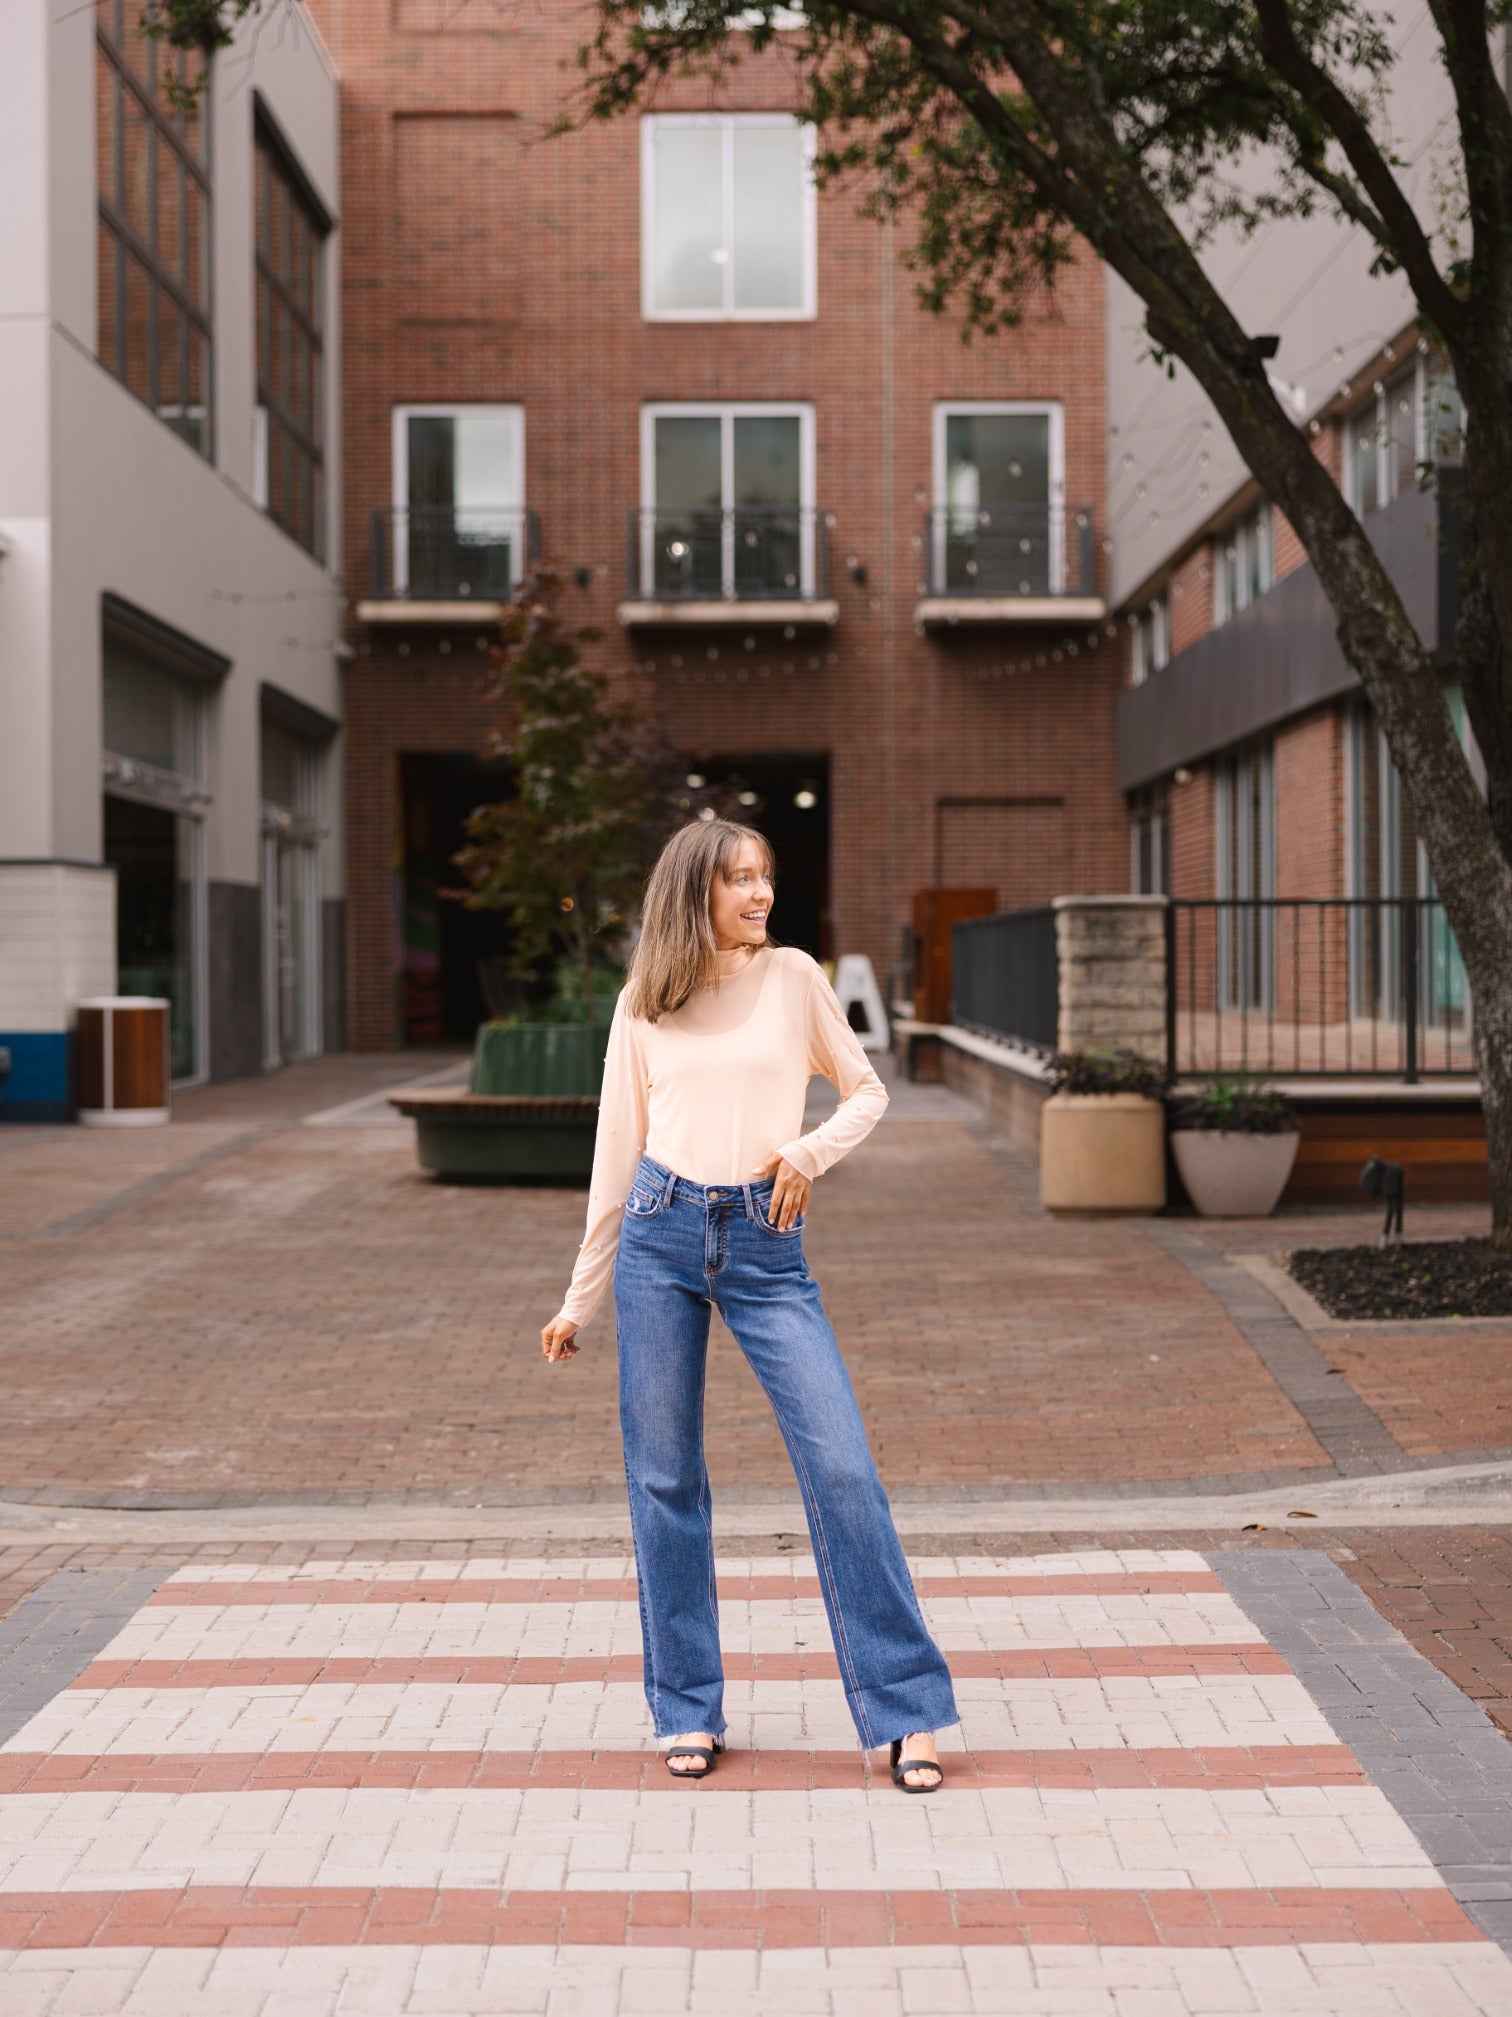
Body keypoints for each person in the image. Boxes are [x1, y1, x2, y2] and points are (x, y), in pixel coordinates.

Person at [540, 818, 958, 1790]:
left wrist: (807, 1152)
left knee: (842, 1467)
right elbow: (614, 1156)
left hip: (766, 1240)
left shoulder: (795, 978)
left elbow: (865, 1091)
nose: (760, 892)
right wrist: (578, 1299)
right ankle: (686, 1707)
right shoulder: (646, 1000)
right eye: (738, 878)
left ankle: (908, 1710)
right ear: (695, 892)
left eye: (764, 875)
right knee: (665, 1480)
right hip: (659, 1232)